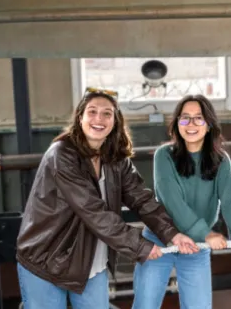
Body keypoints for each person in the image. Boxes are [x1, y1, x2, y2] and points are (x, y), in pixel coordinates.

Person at [15, 87, 197, 309]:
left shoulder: (116, 159)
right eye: (92, 112)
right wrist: (139, 246)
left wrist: (173, 234)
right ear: (80, 117)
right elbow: (94, 212)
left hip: (90, 263)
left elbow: (141, 199)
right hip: (45, 261)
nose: (99, 119)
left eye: (107, 113)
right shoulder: (61, 155)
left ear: (115, 121)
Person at [132, 94, 231, 309]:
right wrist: (207, 233)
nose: (191, 124)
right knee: (145, 305)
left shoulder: (221, 160)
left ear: (208, 125)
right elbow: (172, 202)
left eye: (198, 118)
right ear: (176, 124)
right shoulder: (164, 155)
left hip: (197, 244)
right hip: (160, 239)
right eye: (185, 118)